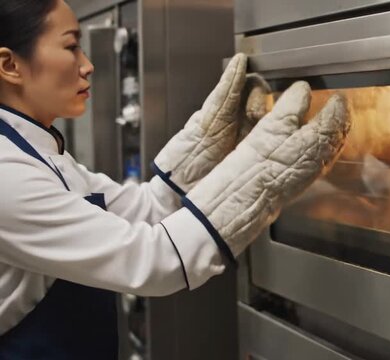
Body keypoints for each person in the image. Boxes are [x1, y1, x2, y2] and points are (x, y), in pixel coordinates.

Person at [0, 0, 350, 358]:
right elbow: (153, 259)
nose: (88, 65)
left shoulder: (38, 152)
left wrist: (207, 142)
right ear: (10, 65)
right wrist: (265, 177)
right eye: (71, 46)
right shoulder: (6, 173)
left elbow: (145, 208)